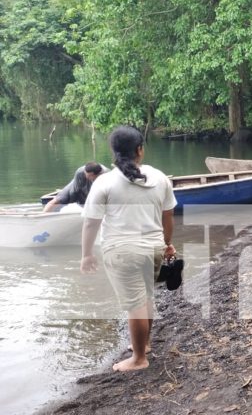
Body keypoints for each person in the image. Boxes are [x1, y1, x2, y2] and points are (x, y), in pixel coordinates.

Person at [81, 126, 177, 372]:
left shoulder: (104, 182)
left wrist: (87, 254)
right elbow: (168, 218)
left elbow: (91, 222)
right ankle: (144, 345)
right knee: (146, 298)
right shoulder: (159, 177)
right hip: (154, 247)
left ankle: (139, 359)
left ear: (113, 152)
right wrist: (167, 244)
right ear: (140, 150)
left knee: (135, 304)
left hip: (122, 251)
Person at [43, 162, 109, 212]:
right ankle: (44, 216)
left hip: (98, 189)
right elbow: (74, 191)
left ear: (95, 174)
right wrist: (69, 202)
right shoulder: (80, 172)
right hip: (79, 184)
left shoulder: (106, 175)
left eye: (88, 175)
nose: (86, 176)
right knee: (59, 199)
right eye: (85, 174)